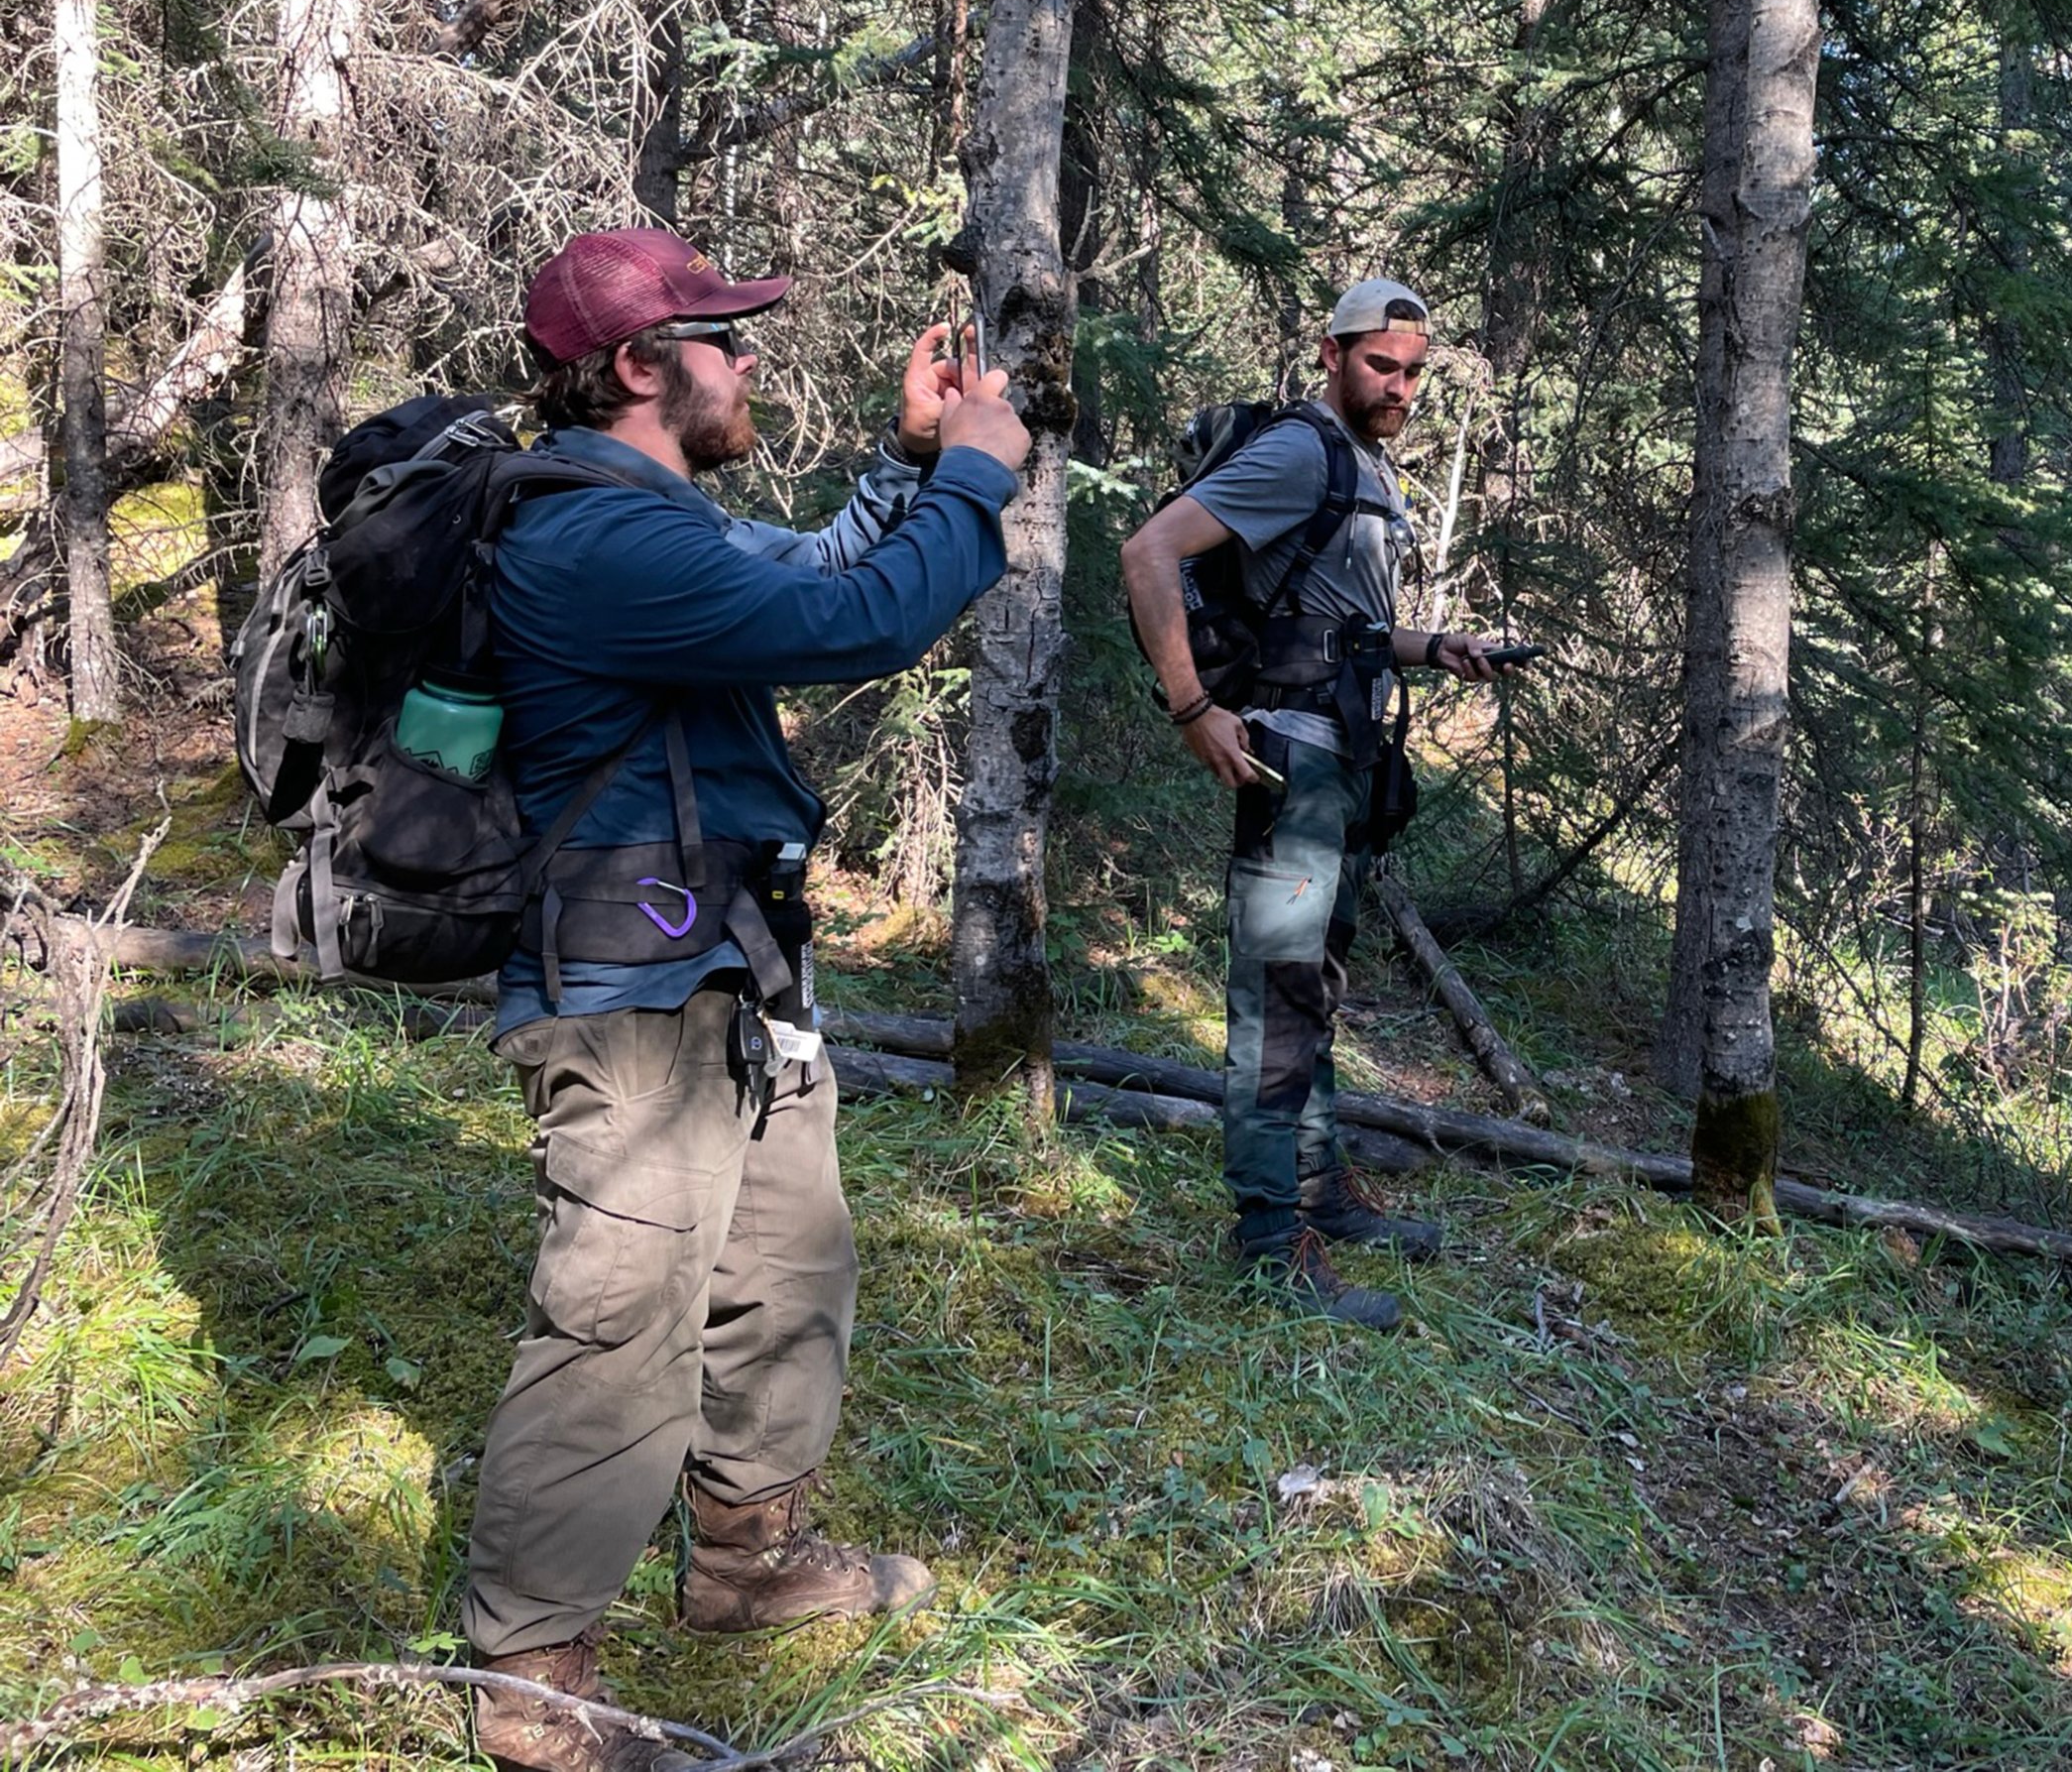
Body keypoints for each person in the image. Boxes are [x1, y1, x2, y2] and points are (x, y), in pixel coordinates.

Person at [464, 226, 1031, 1772]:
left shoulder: (655, 518)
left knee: (790, 1270)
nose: (752, 357)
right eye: (727, 336)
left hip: (727, 971)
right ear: (640, 367)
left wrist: (904, 462)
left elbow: (813, 571)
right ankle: (534, 1684)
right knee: (618, 1328)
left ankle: (746, 1562)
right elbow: (857, 624)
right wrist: (979, 474)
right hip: (626, 993)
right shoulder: (595, 538)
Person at [1119, 279, 1512, 1331]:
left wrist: (1438, 647)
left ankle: (1321, 1195)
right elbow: (1148, 551)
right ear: (1333, 355)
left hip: (1344, 757)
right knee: (1277, 999)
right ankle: (1264, 1237)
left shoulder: (1361, 467)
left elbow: (1334, 627)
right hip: (1288, 759)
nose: (1401, 385)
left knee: (1316, 986)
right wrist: (1193, 704)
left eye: (1415, 369)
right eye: (1381, 364)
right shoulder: (1301, 450)